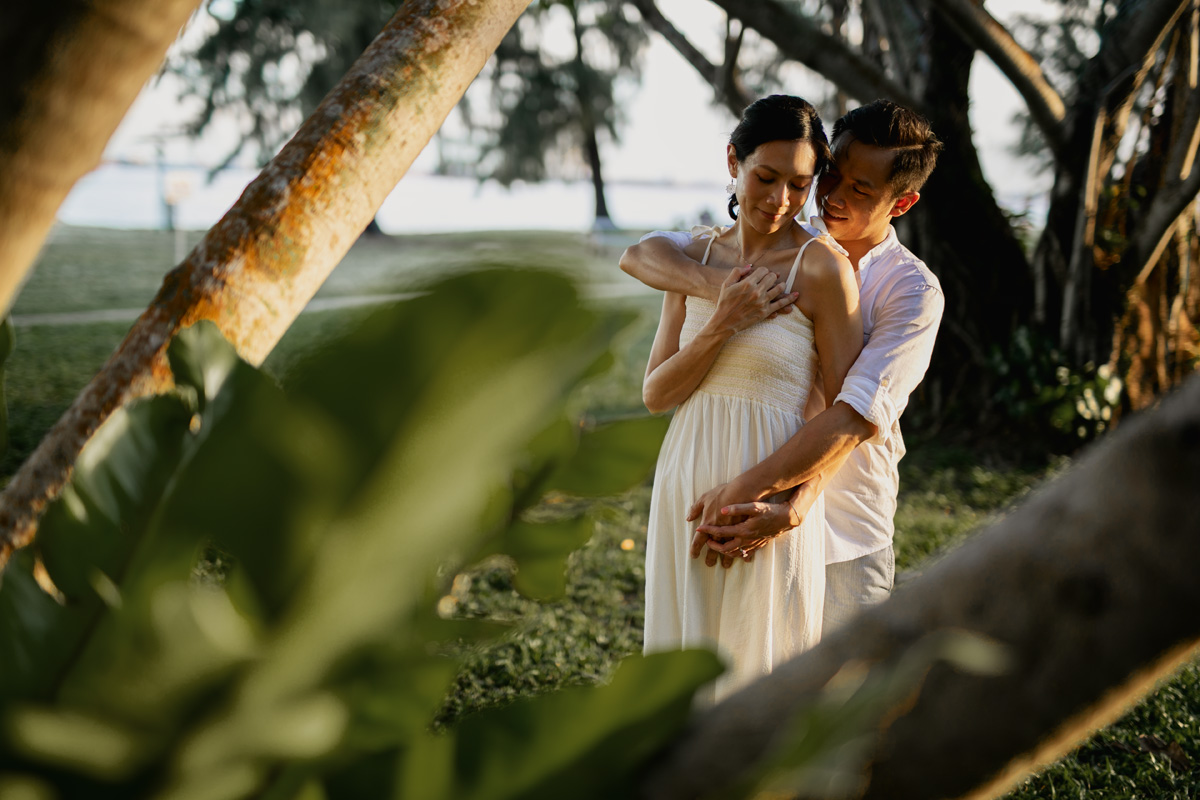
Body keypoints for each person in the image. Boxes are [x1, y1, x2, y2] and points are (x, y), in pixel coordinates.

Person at [622, 99, 944, 635]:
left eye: (859, 190)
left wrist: (784, 503)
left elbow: (851, 417)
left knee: (829, 700)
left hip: (841, 528)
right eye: (831, 176)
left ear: (903, 202)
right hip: (710, 488)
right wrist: (726, 293)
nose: (830, 196)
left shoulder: (911, 293)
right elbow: (641, 256)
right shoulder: (777, 221)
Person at [639, 95, 862, 704]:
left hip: (764, 500)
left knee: (758, 676)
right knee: (680, 681)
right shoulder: (697, 258)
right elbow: (657, 394)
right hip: (684, 481)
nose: (781, 200)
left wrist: (792, 504)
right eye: (766, 177)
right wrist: (723, 320)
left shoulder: (822, 269)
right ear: (733, 161)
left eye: (799, 184)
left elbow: (851, 415)